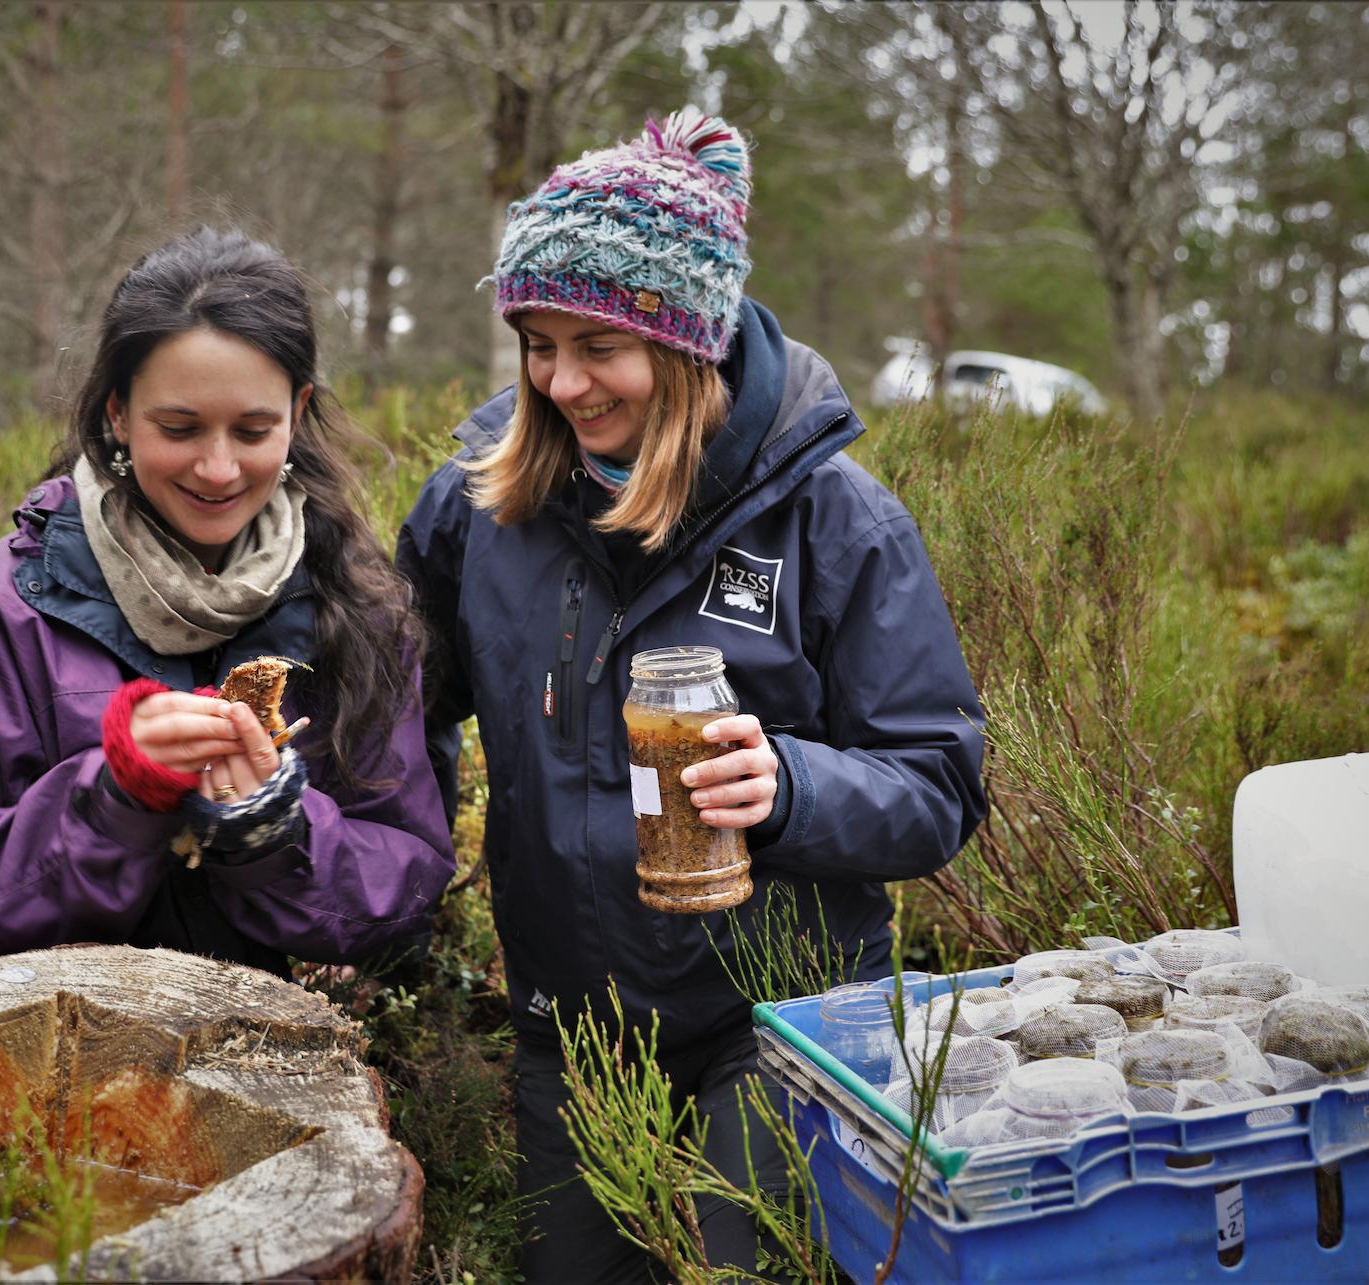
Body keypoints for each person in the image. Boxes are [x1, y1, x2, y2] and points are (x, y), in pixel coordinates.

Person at [397, 109, 986, 1280]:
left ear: (686, 342)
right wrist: (394, 868)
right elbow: (397, 710)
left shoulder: (836, 523)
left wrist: (793, 785)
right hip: (571, 1024)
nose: (560, 381)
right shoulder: (482, 504)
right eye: (534, 342)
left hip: (780, 1022)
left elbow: (938, 783)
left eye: (596, 346)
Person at [0, 228, 453, 980]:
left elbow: (407, 889)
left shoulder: (354, 607)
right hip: (21, 1061)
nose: (217, 467)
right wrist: (114, 800)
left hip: (254, 1064)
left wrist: (274, 833)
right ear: (117, 413)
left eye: (253, 429)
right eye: (178, 428)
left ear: (298, 413)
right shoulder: (3, 606)